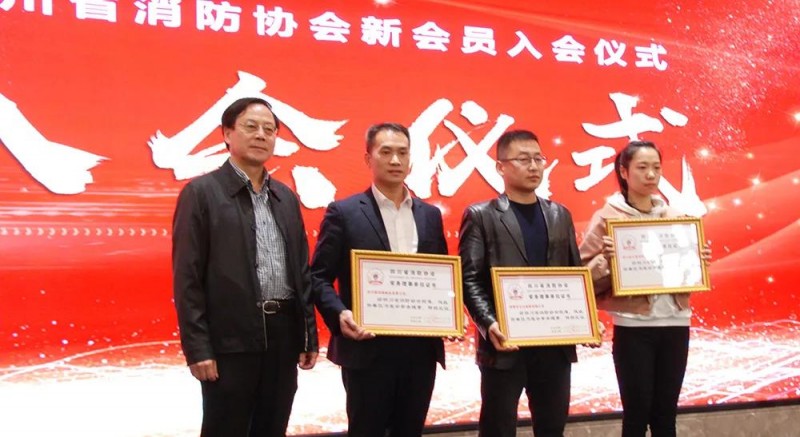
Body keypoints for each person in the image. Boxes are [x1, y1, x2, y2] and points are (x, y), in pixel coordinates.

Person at [172, 97, 318, 437]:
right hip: (230, 338)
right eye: (251, 127)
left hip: (283, 336)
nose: (261, 135)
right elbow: (187, 278)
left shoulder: (285, 198)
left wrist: (308, 335)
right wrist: (198, 348)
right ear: (227, 134)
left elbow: (301, 272)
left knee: (272, 426)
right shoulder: (201, 193)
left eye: (269, 129)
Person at [311, 122, 448, 436]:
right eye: (386, 152)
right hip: (367, 349)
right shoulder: (344, 212)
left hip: (419, 350)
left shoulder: (429, 215)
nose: (395, 160)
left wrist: (450, 314)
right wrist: (339, 313)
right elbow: (318, 277)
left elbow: (441, 275)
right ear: (368, 159)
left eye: (402, 153)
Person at [579, 140, 711, 437]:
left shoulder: (676, 216)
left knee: (666, 416)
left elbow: (684, 271)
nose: (651, 175)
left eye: (656, 168)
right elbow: (582, 277)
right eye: (642, 167)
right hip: (634, 326)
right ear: (624, 172)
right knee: (636, 415)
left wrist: (698, 261)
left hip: (676, 322)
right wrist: (607, 260)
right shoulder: (607, 217)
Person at [459, 129, 580, 437]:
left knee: (552, 427)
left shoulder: (560, 215)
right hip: (504, 345)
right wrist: (489, 324)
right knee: (498, 429)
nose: (534, 166)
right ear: (500, 166)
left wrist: (586, 319)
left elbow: (574, 275)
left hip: (554, 345)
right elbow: (469, 279)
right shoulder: (481, 215)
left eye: (539, 158)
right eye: (524, 159)